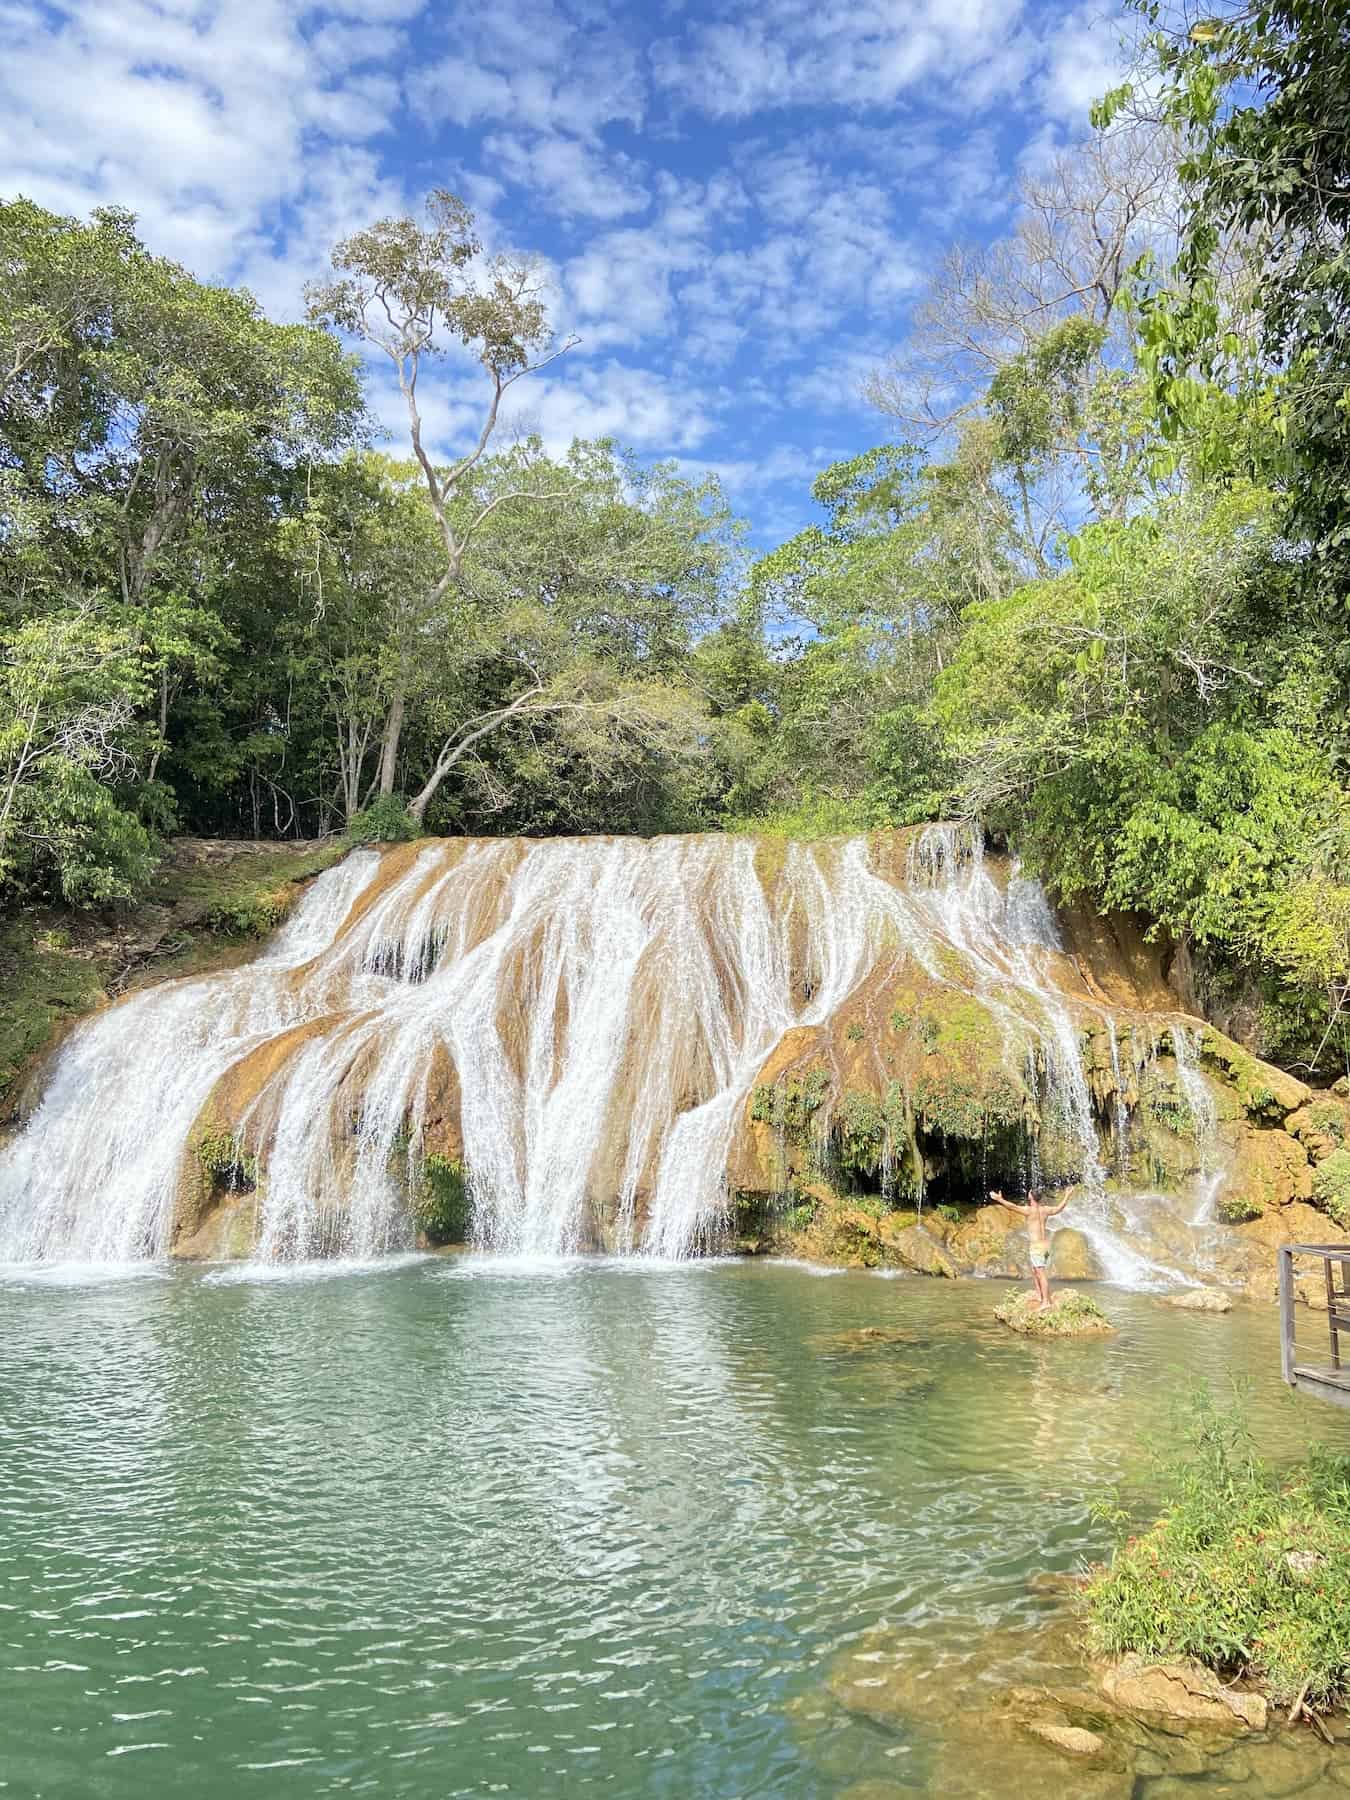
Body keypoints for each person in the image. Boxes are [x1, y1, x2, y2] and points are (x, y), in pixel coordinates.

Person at [989, 1187, 1069, 1311]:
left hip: (1036, 1247)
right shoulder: (1045, 1210)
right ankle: (1039, 1295)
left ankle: (1046, 1302)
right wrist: (1067, 1195)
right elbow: (1059, 1208)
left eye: (1029, 1192)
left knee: (1041, 1274)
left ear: (1030, 1196)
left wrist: (1000, 1199)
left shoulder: (1029, 1211)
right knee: (1034, 1270)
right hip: (1046, 1245)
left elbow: (1011, 1206)